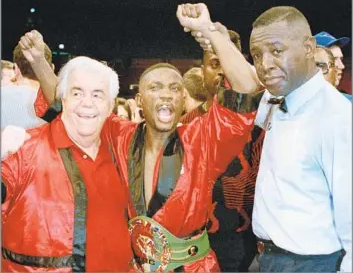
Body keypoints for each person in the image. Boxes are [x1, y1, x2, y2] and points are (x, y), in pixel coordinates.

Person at [21, 32, 260, 272]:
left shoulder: (201, 140)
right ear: (140, 99)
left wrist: (213, 34)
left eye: (174, 88)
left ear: (182, 98)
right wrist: (39, 61)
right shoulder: (118, 135)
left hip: (192, 267)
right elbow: (66, 109)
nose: (166, 94)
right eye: (155, 87)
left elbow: (244, 92)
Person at [181, 3, 351, 272]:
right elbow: (247, 84)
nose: (265, 65)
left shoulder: (338, 118)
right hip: (266, 257)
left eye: (277, 51)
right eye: (257, 55)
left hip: (312, 264)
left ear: (309, 47)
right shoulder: (281, 99)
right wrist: (212, 33)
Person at [1, 56, 134, 272]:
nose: (87, 103)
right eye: (77, 93)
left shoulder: (122, 152)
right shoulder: (24, 150)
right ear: (62, 99)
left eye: (97, 95)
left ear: (110, 106)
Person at [180, 27, 262, 272]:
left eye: (228, 62)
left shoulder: (260, 120)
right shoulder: (187, 124)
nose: (222, 71)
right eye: (214, 63)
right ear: (201, 69)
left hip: (250, 241)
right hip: (199, 242)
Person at [314, 31, 351, 100]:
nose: (342, 66)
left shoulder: (348, 103)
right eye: (333, 59)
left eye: (341, 59)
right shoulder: (291, 105)